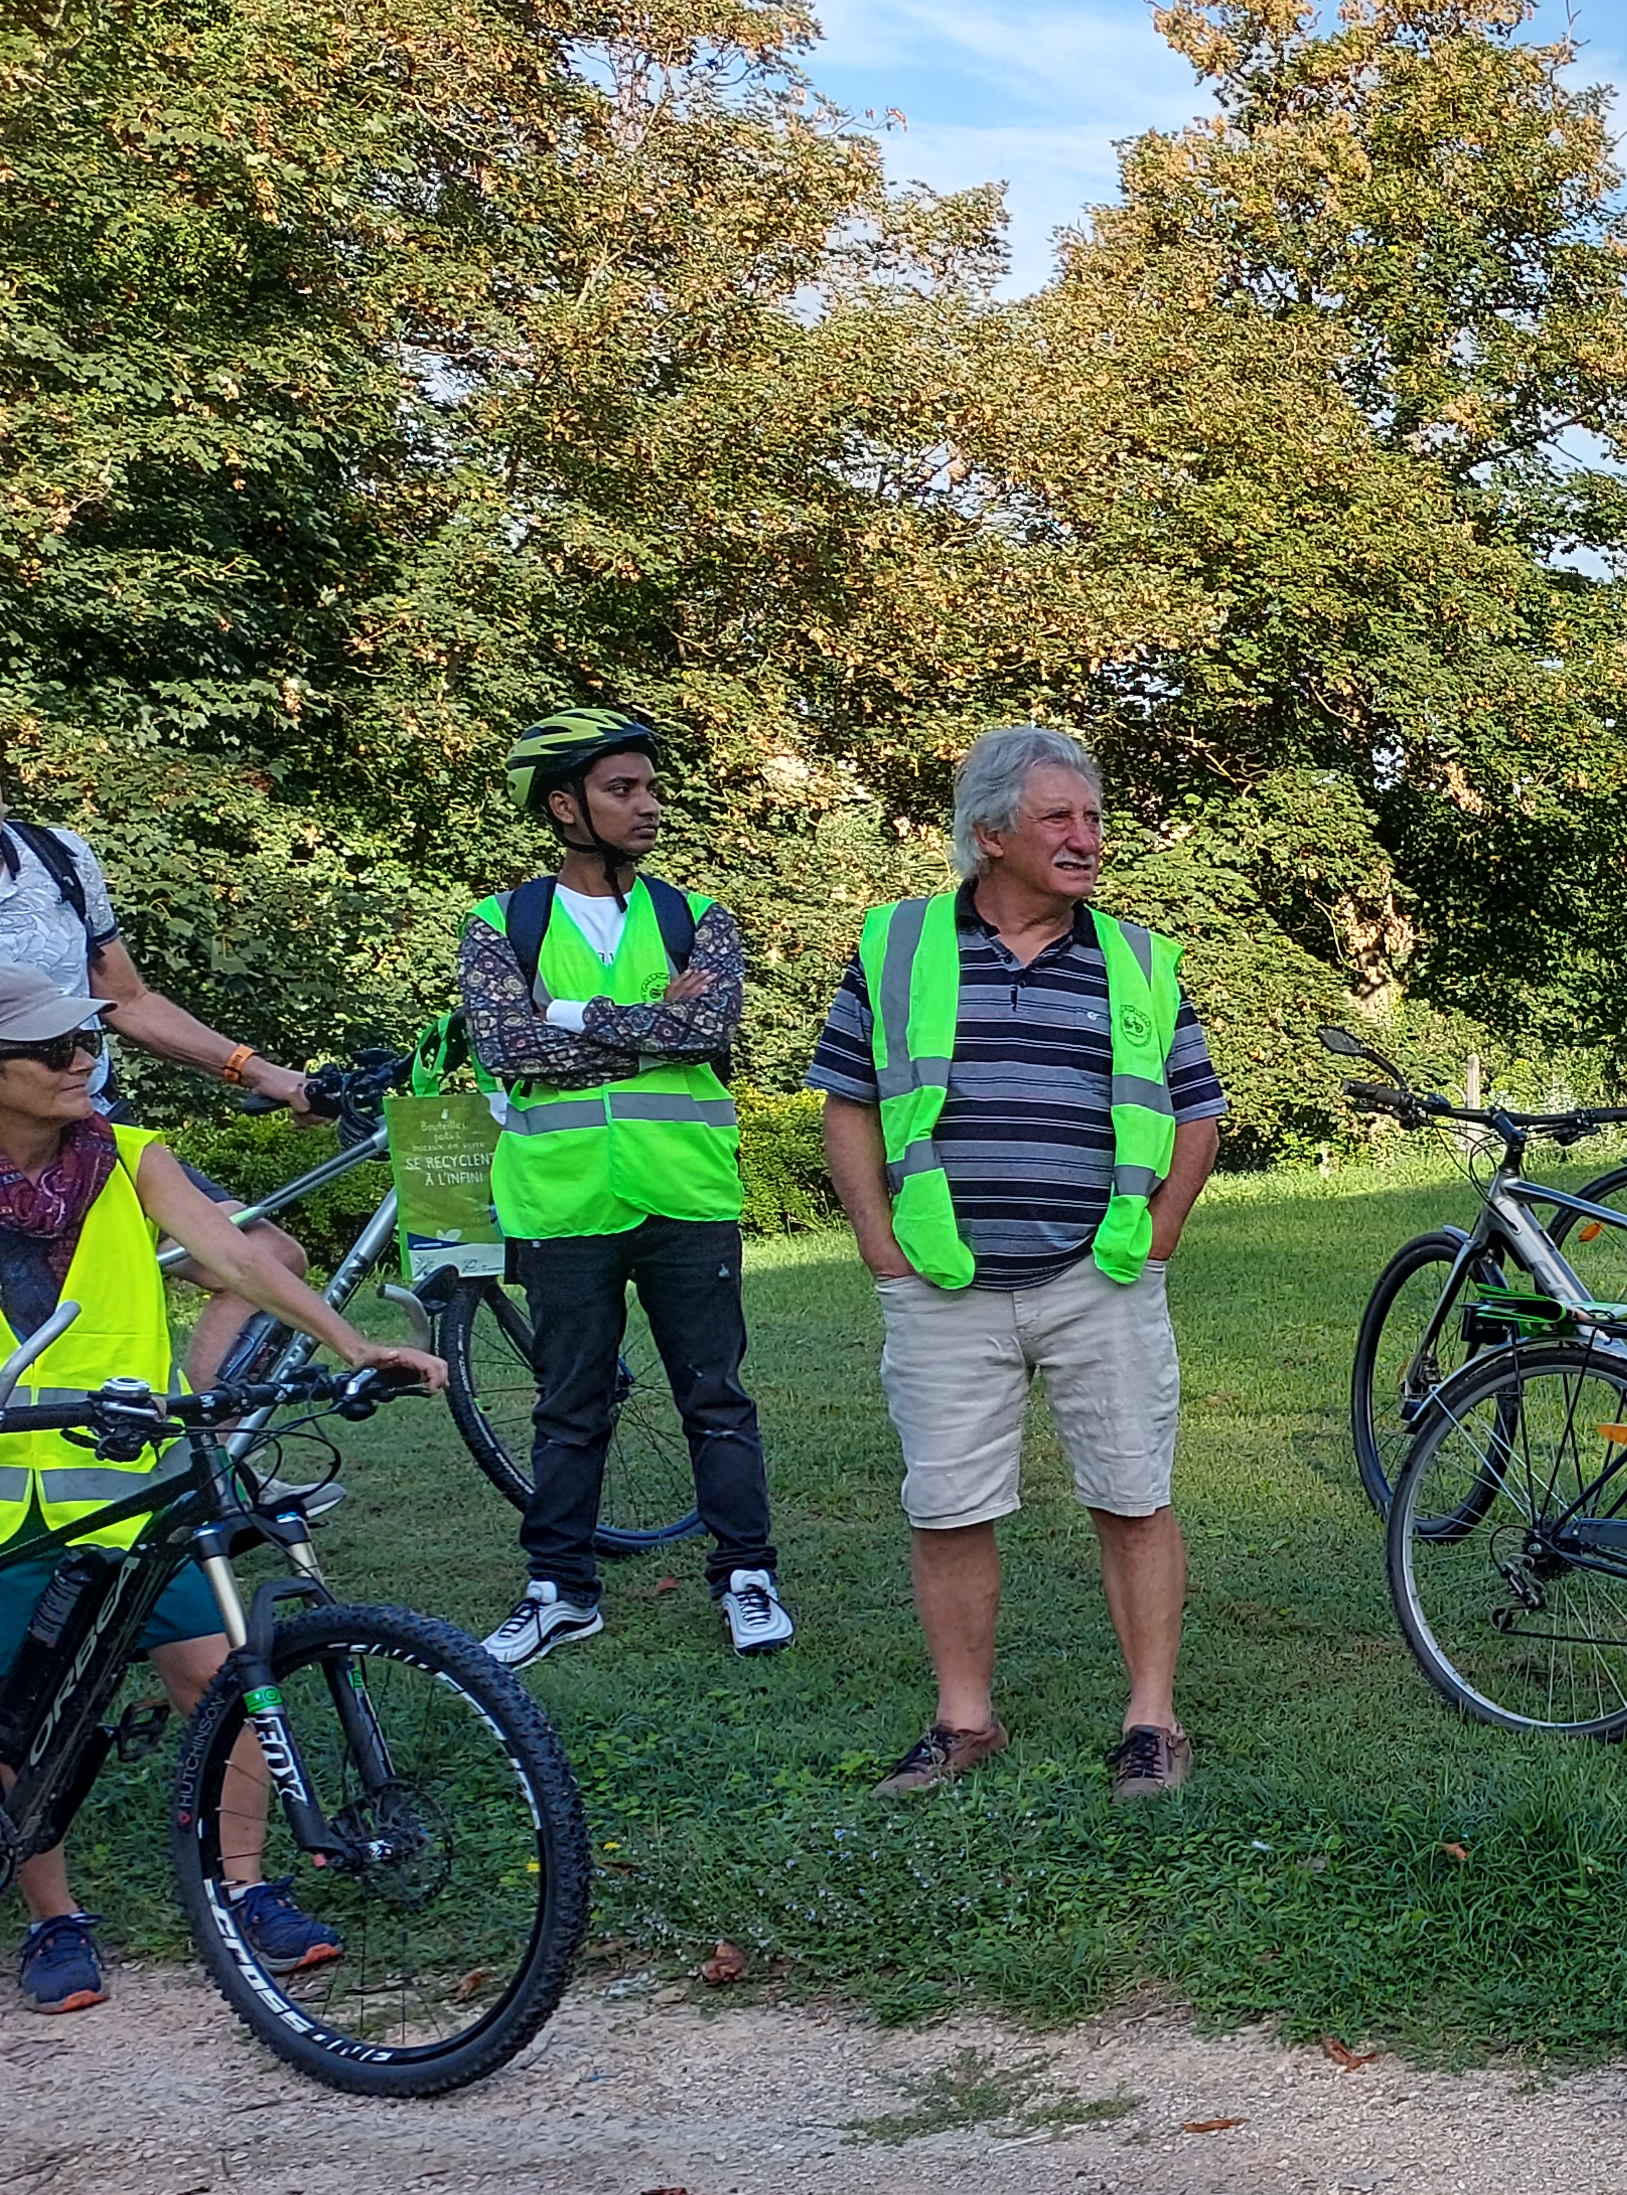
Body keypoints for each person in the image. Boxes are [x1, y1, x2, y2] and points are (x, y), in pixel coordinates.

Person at [0, 963, 450, 2013]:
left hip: (131, 1485)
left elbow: (243, 1264)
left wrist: (351, 1341)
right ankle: (54, 1918)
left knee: (224, 1675)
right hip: (4, 1502)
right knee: (12, 1721)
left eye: (86, 1042)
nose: (83, 1062)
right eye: (54, 1048)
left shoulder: (128, 1159)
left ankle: (245, 1886)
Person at [813, 724, 1221, 1800]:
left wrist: (1164, 1226)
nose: (1087, 839)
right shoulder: (896, 947)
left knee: (1134, 1495)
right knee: (947, 1505)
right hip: (943, 1284)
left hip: (1104, 1277)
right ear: (990, 834)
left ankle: (1150, 1720)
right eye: (1060, 819)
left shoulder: (1136, 958)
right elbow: (846, 1101)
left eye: (1093, 819)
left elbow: (1196, 1114)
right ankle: (964, 1720)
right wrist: (875, 1237)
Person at [463, 708, 787, 1668]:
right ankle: (559, 1589)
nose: (648, 804)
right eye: (622, 789)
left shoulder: (697, 916)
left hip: (685, 1194)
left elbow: (710, 1031)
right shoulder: (499, 924)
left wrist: (564, 1011)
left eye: (649, 786)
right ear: (563, 806)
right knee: (569, 1403)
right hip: (562, 1204)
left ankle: (747, 1574)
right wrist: (649, 1014)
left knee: (715, 1395)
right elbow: (503, 1045)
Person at [0, 760, 325, 1387]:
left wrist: (261, 1073)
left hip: (87, 1130)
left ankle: (215, 1472)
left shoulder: (55, 858)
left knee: (268, 1260)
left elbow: (127, 999)